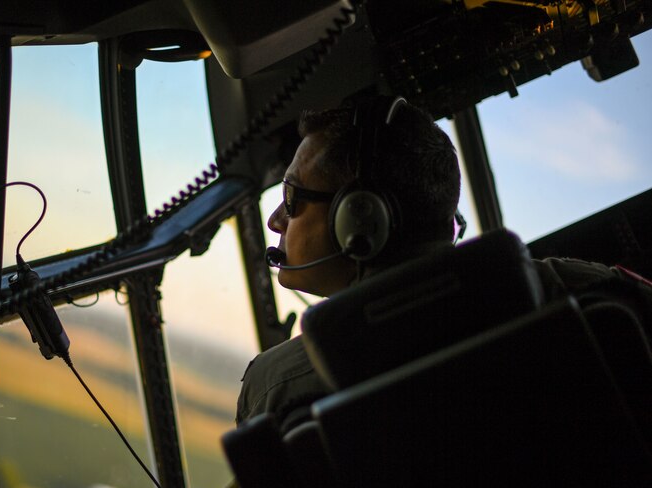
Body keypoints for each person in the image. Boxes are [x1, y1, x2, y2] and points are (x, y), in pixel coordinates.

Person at [235, 95, 652, 432]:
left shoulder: (275, 388)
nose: (275, 220)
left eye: (292, 198)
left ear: (360, 216)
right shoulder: (592, 291)